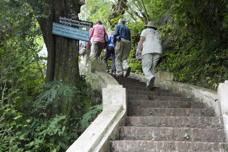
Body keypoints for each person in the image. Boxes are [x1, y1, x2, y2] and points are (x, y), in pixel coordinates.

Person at [136, 21, 162, 89]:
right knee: (152, 68)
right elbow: (159, 41)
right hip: (158, 50)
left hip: (148, 50)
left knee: (145, 67)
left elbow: (141, 40)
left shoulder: (145, 31)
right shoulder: (157, 33)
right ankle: (149, 85)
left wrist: (138, 50)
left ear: (147, 26)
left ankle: (150, 77)